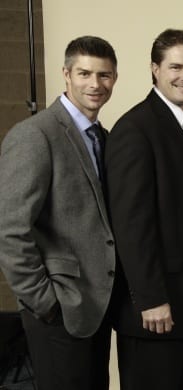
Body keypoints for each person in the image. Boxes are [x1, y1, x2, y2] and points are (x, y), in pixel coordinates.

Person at [0, 36, 117, 390]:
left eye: (104, 75)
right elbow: (9, 229)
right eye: (84, 73)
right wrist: (44, 302)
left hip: (96, 307)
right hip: (59, 309)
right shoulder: (36, 135)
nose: (95, 84)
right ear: (66, 74)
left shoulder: (103, 137)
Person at [105, 29, 183, 390]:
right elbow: (131, 224)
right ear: (154, 69)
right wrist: (150, 300)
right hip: (154, 311)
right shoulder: (135, 129)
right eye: (176, 67)